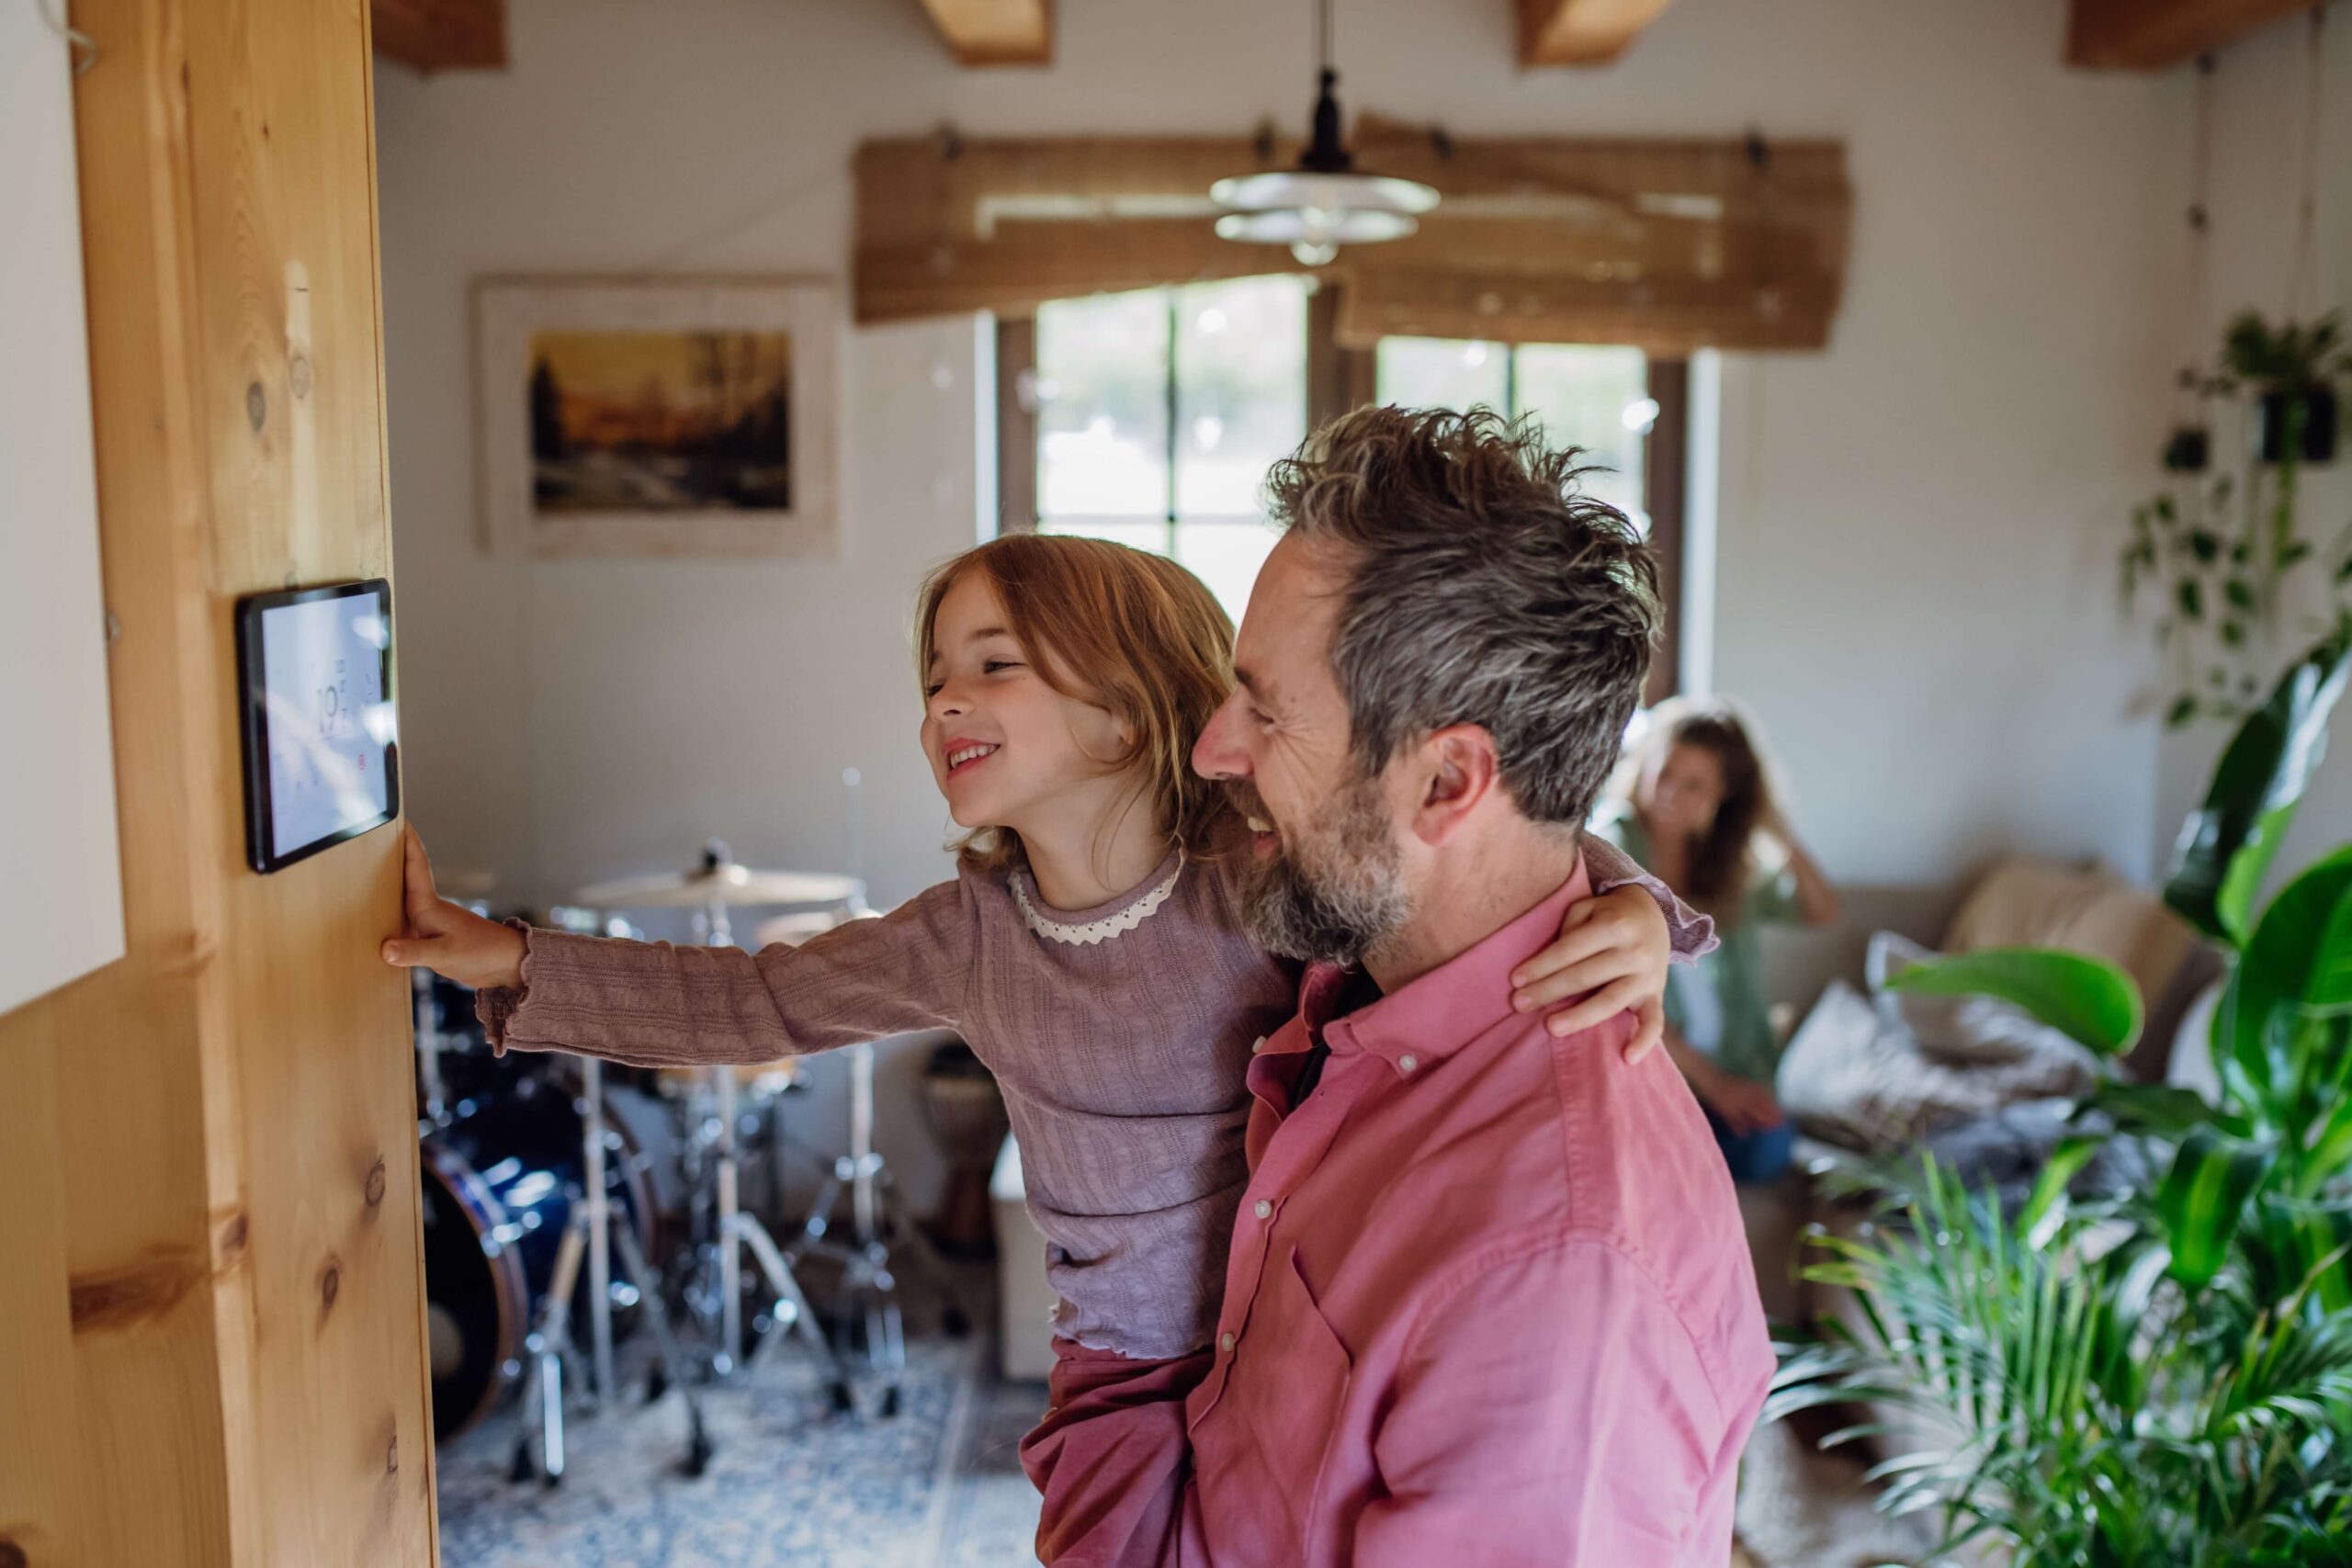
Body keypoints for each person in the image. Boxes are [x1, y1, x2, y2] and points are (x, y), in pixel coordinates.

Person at [379, 532, 1714, 1567]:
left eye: (993, 662)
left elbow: (1449, 865)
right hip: (1122, 1379)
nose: (943, 700)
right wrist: (510, 955)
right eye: (935, 676)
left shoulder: (1261, 877)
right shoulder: (966, 935)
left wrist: (1634, 908)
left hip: (1286, 1357)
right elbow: (752, 1003)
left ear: (1130, 714)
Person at [1173, 405, 1774, 1565]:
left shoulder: (1559, 1277)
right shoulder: (1368, 961)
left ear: (1449, 780)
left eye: (1267, 709)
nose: (1213, 749)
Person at [1592, 697, 1839, 1184]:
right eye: (1663, 775)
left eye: (1694, 785)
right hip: (1652, 1071)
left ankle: (1681, 1166)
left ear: (1722, 796)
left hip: (1732, 1072)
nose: (1670, 794)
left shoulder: (1728, 867)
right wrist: (1715, 1085)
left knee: (1769, 1147)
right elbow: (1614, 995)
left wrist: (1771, 823)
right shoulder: (1609, 846)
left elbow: (1821, 910)